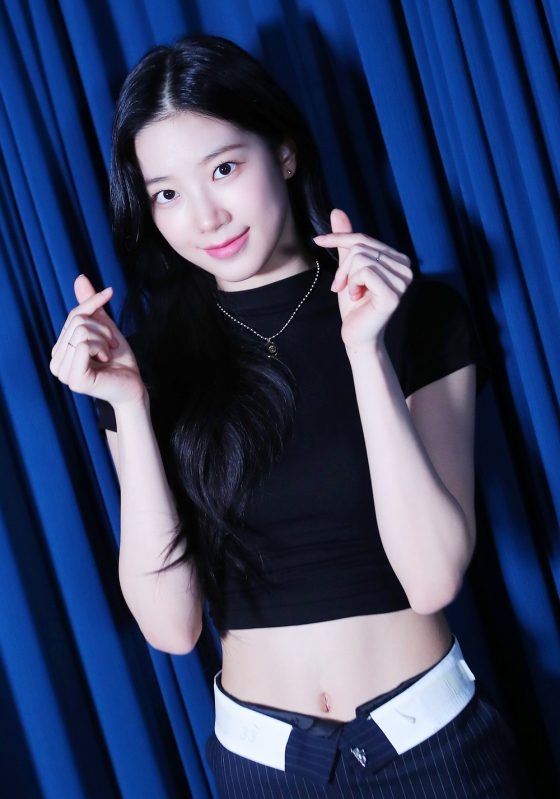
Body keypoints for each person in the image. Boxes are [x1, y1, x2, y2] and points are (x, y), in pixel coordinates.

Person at [50, 35, 533, 798]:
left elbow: (432, 575)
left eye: (223, 168)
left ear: (283, 152)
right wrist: (129, 409)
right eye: (167, 194)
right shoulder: (146, 366)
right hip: (260, 766)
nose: (205, 216)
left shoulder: (417, 315)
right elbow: (172, 628)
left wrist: (366, 352)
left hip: (433, 748)